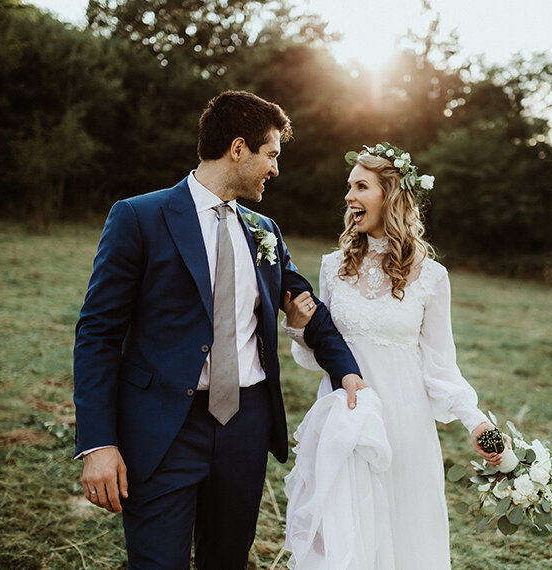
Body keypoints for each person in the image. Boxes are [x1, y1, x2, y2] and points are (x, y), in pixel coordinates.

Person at [72, 90, 365, 569]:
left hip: (245, 427)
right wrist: (99, 444)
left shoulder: (265, 230)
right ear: (237, 149)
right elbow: (98, 334)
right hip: (163, 428)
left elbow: (306, 303)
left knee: (227, 561)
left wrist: (346, 370)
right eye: (271, 155)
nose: (275, 169)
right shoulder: (139, 217)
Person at [282, 143, 501, 569]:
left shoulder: (432, 277)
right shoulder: (332, 267)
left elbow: (440, 367)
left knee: (403, 537)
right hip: (345, 419)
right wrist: (296, 324)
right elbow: (318, 353)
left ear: (391, 196)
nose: (348, 197)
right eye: (348, 187)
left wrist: (479, 424)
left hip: (404, 427)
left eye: (361, 186)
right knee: (343, 536)